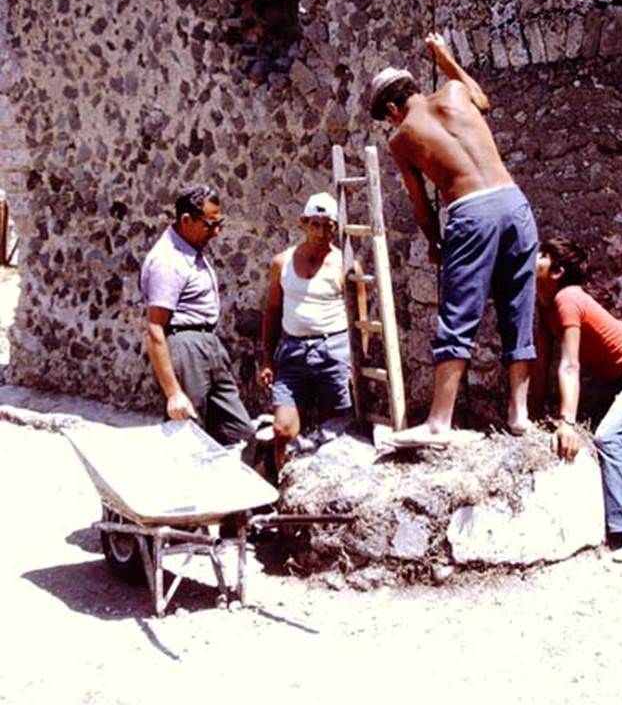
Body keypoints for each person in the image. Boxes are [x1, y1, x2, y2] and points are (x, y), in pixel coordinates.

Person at [368, 32, 538, 444]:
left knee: (458, 315)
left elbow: (422, 204)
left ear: (392, 108)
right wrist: (445, 58)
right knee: (518, 308)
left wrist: (434, 241)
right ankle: (519, 414)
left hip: (471, 212)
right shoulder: (457, 91)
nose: (391, 122)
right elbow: (483, 99)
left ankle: (439, 421)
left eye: (387, 116)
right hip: (515, 204)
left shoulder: (401, 137)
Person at [535, 237, 622, 563]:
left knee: (608, 437)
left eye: (542, 255)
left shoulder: (567, 298)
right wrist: (534, 418)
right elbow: (540, 362)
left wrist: (567, 423)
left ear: (557, 271)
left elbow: (569, 363)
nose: (532, 257)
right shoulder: (546, 306)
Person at [141, 184, 254, 450]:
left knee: (239, 432)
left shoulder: (192, 251)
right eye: (210, 224)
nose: (216, 232)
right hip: (184, 347)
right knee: (187, 435)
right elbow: (154, 329)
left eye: (220, 222)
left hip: (208, 344)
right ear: (186, 220)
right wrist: (173, 393)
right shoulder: (168, 261)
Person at [258, 192, 353, 471]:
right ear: (303, 223)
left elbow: (359, 318)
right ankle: (279, 492)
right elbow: (273, 311)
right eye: (315, 224)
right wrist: (267, 359)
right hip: (293, 352)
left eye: (329, 225)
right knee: (283, 431)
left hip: (332, 351)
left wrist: (354, 365)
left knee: (334, 433)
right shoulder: (282, 263)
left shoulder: (346, 265)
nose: (322, 232)